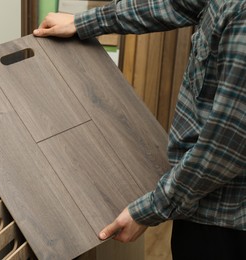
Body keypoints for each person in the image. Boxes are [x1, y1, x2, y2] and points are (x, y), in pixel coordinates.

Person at [33, 1, 246, 259]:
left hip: (223, 223)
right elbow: (174, 4)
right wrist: (83, 22)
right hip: (201, 207)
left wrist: (151, 209)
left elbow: (225, 149)